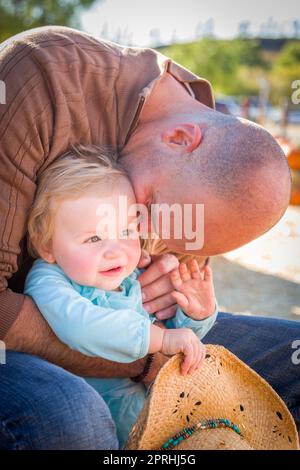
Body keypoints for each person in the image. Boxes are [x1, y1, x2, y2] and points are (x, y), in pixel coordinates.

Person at [0, 26, 299, 449]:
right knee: (72, 416)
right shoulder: (38, 78)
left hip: (146, 331)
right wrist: (149, 357)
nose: (142, 242)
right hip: (25, 341)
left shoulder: (206, 163)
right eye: (152, 214)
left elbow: (174, 302)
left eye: (184, 243)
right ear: (179, 139)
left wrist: (192, 308)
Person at [24, 144, 218, 448]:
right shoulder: (49, 280)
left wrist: (195, 316)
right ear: (46, 244)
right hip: (97, 426)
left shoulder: (130, 278)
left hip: (150, 422)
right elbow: (81, 327)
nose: (115, 250)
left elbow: (176, 349)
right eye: (94, 238)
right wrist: (163, 340)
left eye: (127, 232)